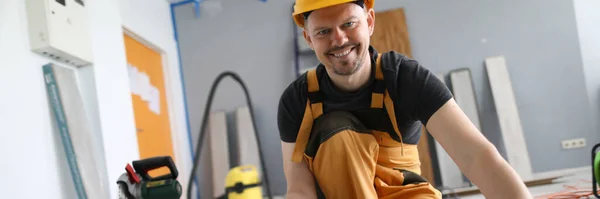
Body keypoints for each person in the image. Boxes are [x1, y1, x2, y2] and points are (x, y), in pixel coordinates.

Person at [277, 0, 532, 198]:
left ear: (370, 21)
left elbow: (475, 155)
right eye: (323, 31)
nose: (339, 39)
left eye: (349, 24)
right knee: (335, 129)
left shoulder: (405, 78)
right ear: (309, 38)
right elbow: (300, 190)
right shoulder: (297, 101)